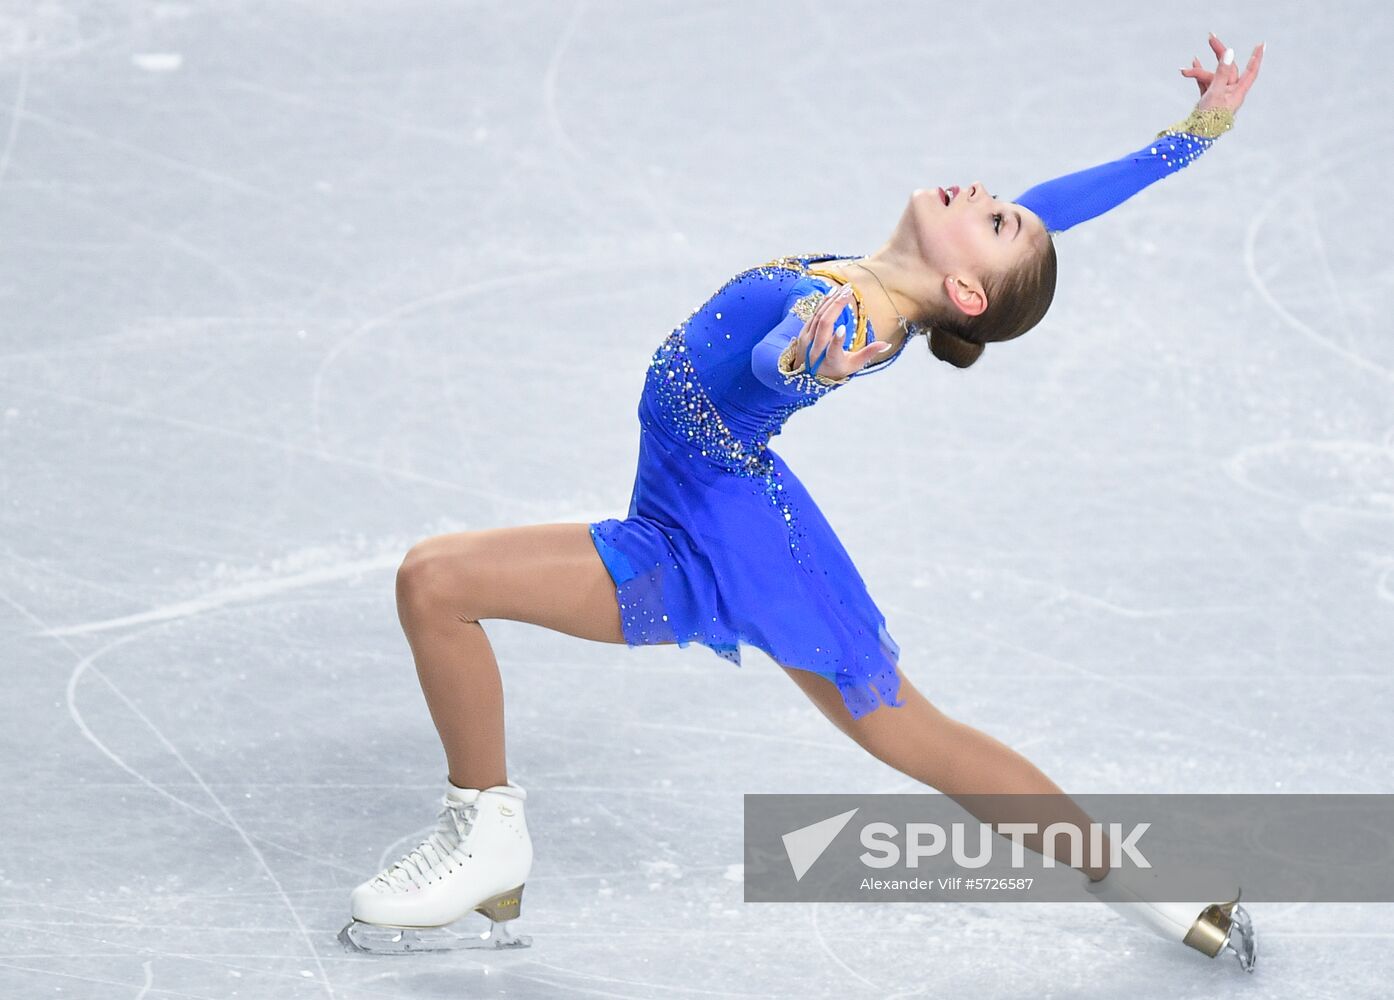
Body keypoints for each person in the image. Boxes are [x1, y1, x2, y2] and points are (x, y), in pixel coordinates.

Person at [338, 33, 1265, 970]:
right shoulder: (882, 280)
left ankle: (488, 834)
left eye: (995, 224)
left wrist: (798, 365)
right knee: (907, 730)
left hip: (715, 532)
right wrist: (1198, 131)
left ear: (964, 292)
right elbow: (1064, 205)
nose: (990, 196)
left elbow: (774, 357)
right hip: (688, 502)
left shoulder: (854, 319)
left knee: (439, 583)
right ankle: (1168, 898)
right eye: (999, 207)